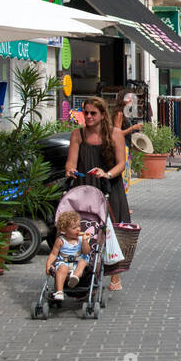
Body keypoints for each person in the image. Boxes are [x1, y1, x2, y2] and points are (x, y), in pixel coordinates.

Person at [66, 96, 130, 290]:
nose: (88, 116)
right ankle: (82, 270)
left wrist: (107, 174)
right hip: (86, 186)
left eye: (93, 113)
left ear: (103, 115)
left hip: (109, 186)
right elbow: (71, 161)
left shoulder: (115, 134)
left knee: (114, 230)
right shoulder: (78, 134)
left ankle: (115, 277)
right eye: (86, 112)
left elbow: (121, 164)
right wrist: (69, 169)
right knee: (84, 228)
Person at [46, 210, 90, 301]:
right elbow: (54, 254)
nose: (78, 229)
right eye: (74, 228)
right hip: (64, 262)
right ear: (64, 230)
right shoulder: (60, 240)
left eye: (79, 226)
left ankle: (75, 277)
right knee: (62, 268)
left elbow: (86, 252)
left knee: (83, 261)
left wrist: (85, 241)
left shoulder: (81, 239)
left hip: (78, 262)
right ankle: (59, 292)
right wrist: (48, 265)